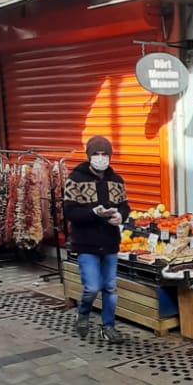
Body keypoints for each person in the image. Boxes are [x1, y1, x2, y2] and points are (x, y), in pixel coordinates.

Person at [63, 135, 131, 344]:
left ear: (110, 156)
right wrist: (94, 213)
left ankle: (108, 327)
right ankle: (83, 313)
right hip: (86, 243)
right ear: (89, 156)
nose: (101, 158)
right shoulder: (75, 179)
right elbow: (69, 212)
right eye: (96, 154)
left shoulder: (117, 180)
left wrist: (121, 215)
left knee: (110, 287)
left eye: (105, 154)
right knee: (92, 286)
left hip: (110, 242)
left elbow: (125, 205)